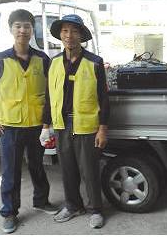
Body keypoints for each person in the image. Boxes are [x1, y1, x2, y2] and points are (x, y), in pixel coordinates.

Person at [0, 9, 59, 234]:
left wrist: (48, 123)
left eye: (26, 26)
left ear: (32, 29)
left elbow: (50, 92)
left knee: (38, 167)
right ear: (11, 30)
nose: (22, 30)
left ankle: (41, 202)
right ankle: (9, 213)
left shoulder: (42, 59)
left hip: (36, 125)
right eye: (18, 26)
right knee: (11, 172)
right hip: (10, 127)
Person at [40, 14, 109, 229]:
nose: (69, 36)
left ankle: (95, 209)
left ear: (81, 35)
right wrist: (46, 126)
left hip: (87, 125)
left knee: (89, 170)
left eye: (74, 31)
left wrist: (102, 129)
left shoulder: (94, 62)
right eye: (65, 31)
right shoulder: (53, 63)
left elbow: (104, 98)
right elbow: (49, 95)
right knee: (67, 169)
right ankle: (72, 205)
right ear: (60, 35)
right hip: (62, 125)